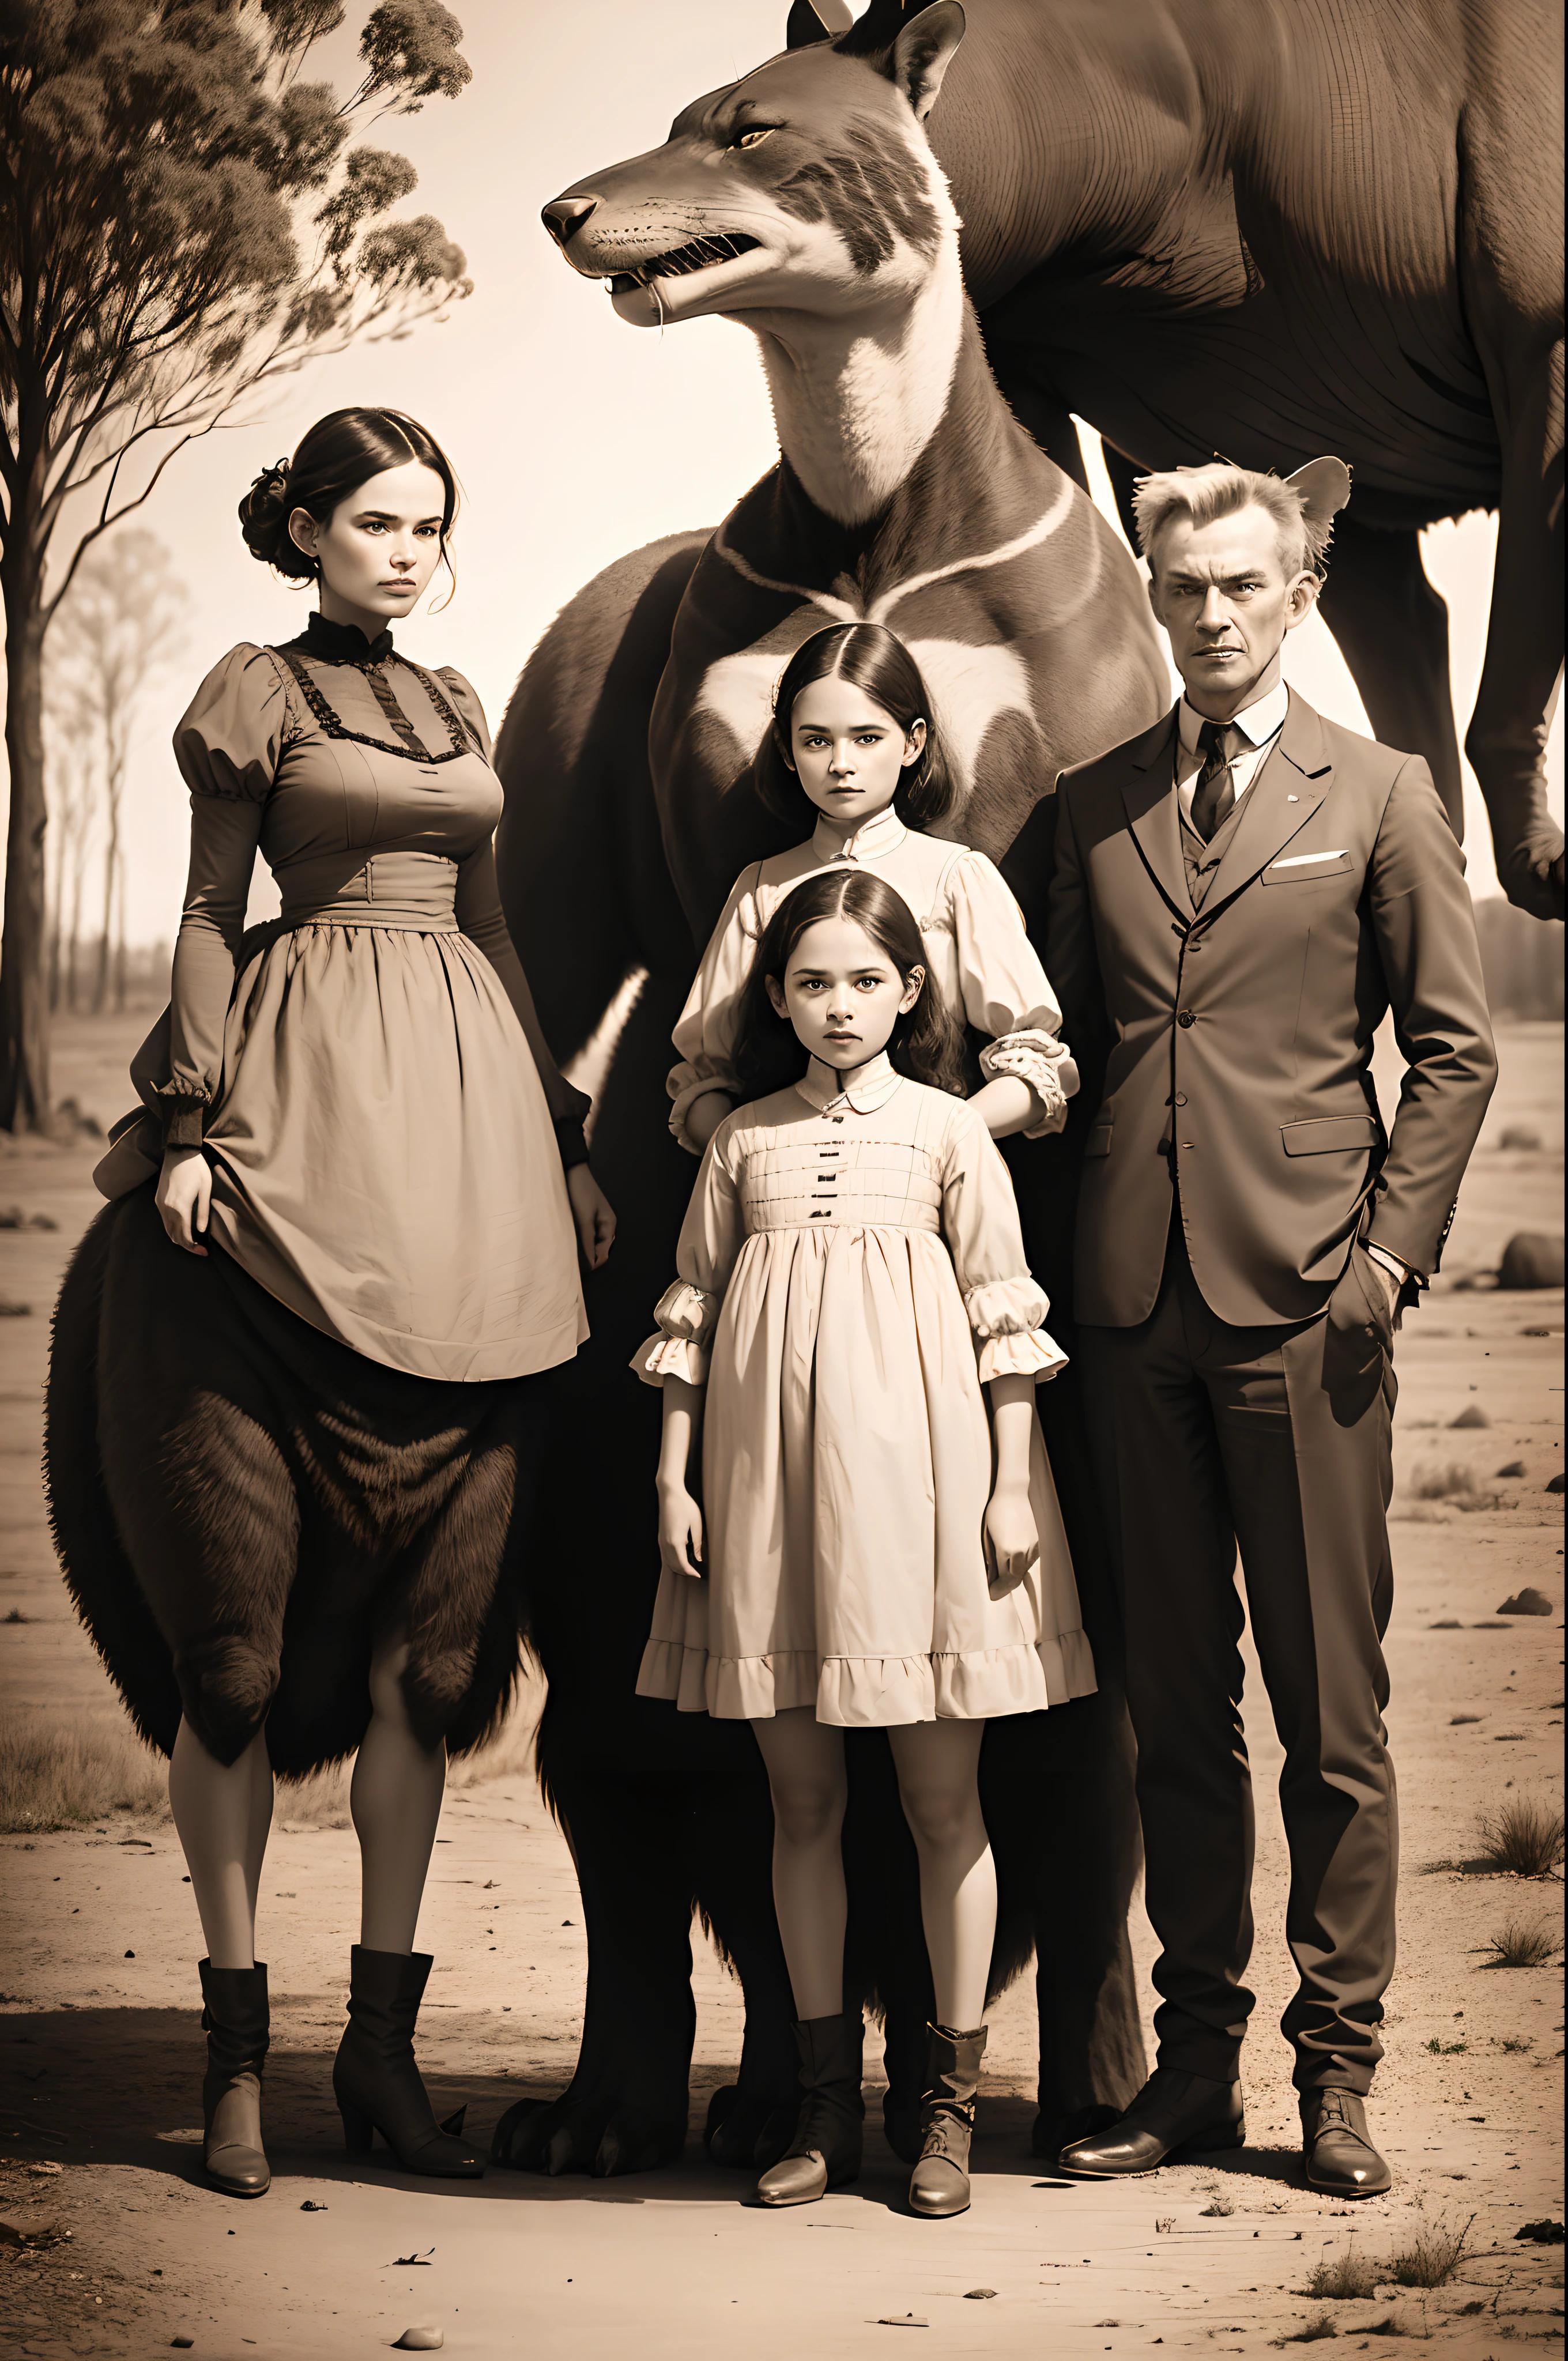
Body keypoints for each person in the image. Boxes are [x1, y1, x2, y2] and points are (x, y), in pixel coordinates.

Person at [75, 407, 616, 2198]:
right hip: (304, 1074)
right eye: (375, 521)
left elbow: (501, 932)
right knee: (223, 1671)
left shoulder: (460, 709)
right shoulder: (255, 692)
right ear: (304, 529)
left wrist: (560, 1130)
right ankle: (237, 2051)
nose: (407, 548)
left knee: (430, 1671)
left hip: (465, 1107)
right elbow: (212, 910)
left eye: (429, 524)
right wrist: (188, 1115)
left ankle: (379, 2053)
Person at [1046, 459, 1497, 2197]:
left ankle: (1338, 2074)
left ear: (1298, 591)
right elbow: (1058, 1039)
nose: (1214, 615)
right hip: (1125, 1316)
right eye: (1185, 589)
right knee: (1174, 1714)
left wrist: (1386, 1261)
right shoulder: (1090, 806)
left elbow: (1453, 1050)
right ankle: (1197, 2068)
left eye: (1245, 586)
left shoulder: (1380, 793)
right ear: (1153, 597)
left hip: (1313, 1311)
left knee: (1332, 1713)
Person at [635, 867, 1095, 2218]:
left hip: (934, 1504)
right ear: (775, 998)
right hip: (765, 1503)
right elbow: (688, 1324)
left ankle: (943, 2111)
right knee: (803, 1805)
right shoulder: (739, 1145)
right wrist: (673, 1482)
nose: (837, 1008)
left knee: (942, 1804)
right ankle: (825, 2111)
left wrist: (1011, 1489)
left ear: (912, 992)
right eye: (810, 983)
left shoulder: (953, 1134)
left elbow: (1007, 1324)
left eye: (864, 982)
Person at [666, 621, 1076, 1155]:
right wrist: (760, 1157)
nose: (841, 764)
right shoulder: (760, 889)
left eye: (867, 738)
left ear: (913, 742)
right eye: (816, 740)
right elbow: (704, 1078)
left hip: (929, 1189)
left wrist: (931, 1138)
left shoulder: (958, 877)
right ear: (787, 750)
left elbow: (1038, 1070)